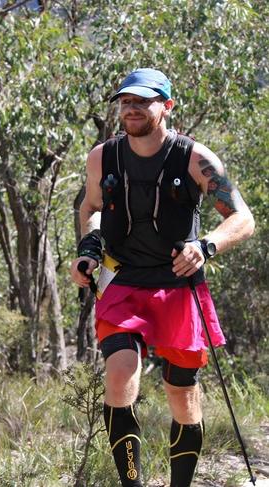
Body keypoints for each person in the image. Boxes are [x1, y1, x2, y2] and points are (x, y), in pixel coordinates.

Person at [70, 68, 254, 486]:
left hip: (177, 285)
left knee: (182, 395)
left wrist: (205, 246)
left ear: (166, 107)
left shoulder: (195, 158)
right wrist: (88, 250)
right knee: (119, 374)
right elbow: (92, 207)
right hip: (122, 281)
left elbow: (243, 218)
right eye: (126, 102)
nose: (131, 109)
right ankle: (131, 482)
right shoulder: (104, 156)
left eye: (142, 101)